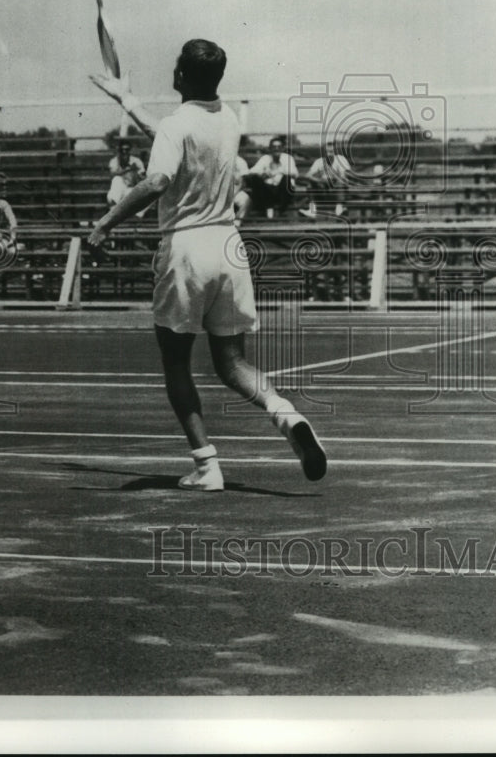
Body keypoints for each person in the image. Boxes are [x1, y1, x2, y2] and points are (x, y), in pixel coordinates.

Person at [88, 39, 326, 491]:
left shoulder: (178, 125)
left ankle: (206, 466)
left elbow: (158, 177)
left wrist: (105, 223)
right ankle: (288, 417)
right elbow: (168, 132)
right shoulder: (229, 119)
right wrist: (126, 99)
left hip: (186, 251)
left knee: (176, 363)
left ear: (180, 77)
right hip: (229, 249)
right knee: (231, 362)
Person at [244, 136, 299, 218]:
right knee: (255, 178)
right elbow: (251, 171)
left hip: (282, 189)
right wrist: (262, 173)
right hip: (267, 189)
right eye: (274, 147)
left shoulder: (288, 158)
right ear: (270, 149)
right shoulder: (265, 158)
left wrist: (279, 172)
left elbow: (295, 173)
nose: (276, 149)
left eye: (279, 147)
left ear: (283, 148)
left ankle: (279, 209)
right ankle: (269, 208)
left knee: (287, 179)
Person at [300, 141, 352, 219]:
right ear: (324, 152)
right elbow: (308, 175)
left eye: (332, 151)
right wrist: (319, 180)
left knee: (340, 182)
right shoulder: (319, 161)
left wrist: (334, 179)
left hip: (337, 189)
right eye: (328, 151)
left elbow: (345, 175)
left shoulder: (341, 159)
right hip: (323, 189)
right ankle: (312, 210)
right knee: (310, 185)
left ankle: (339, 208)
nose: (330, 153)